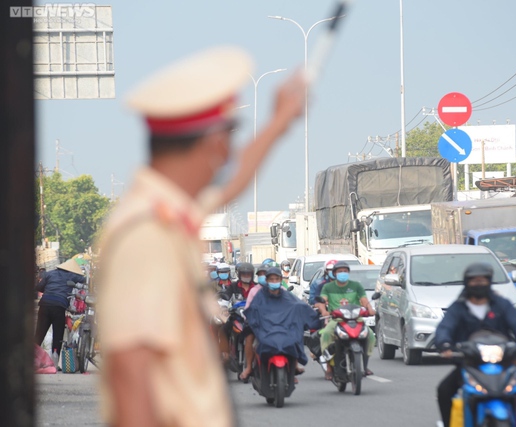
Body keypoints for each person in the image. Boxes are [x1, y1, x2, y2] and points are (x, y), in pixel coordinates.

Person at [96, 46, 305, 427]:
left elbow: (232, 183)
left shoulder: (168, 212)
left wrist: (279, 122)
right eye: (229, 135)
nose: (229, 150)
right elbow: (131, 374)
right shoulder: (147, 233)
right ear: (214, 142)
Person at [434, 263, 516, 427]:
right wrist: (445, 344)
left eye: (482, 280)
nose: (478, 284)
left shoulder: (502, 304)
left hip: (502, 365)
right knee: (444, 391)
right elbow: (445, 327)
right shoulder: (458, 307)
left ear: (489, 282)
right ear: (467, 283)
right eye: (474, 281)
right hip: (470, 364)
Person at [244, 268, 318, 382]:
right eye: (271, 279)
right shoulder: (258, 293)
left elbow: (297, 305)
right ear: (267, 280)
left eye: (276, 279)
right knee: (250, 338)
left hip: (283, 326)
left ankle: (292, 368)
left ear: (281, 280)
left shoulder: (286, 293)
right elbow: (251, 308)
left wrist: (310, 316)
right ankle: (249, 367)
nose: (274, 282)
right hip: (265, 327)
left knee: (295, 336)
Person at [315, 260, 376, 380]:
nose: (343, 273)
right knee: (326, 334)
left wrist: (370, 309)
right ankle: (328, 367)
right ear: (334, 273)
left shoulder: (356, 285)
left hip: (356, 318)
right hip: (337, 319)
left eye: (345, 271)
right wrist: (324, 311)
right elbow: (322, 301)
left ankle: (364, 364)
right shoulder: (328, 287)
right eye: (340, 271)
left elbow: (364, 300)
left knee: (371, 335)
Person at [34, 259, 86, 368]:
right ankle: (54, 363)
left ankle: (32, 360)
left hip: (45, 305)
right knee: (58, 335)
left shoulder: (49, 274)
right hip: (59, 307)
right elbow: (84, 280)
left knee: (39, 333)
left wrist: (49, 290)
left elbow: (38, 287)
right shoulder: (71, 275)